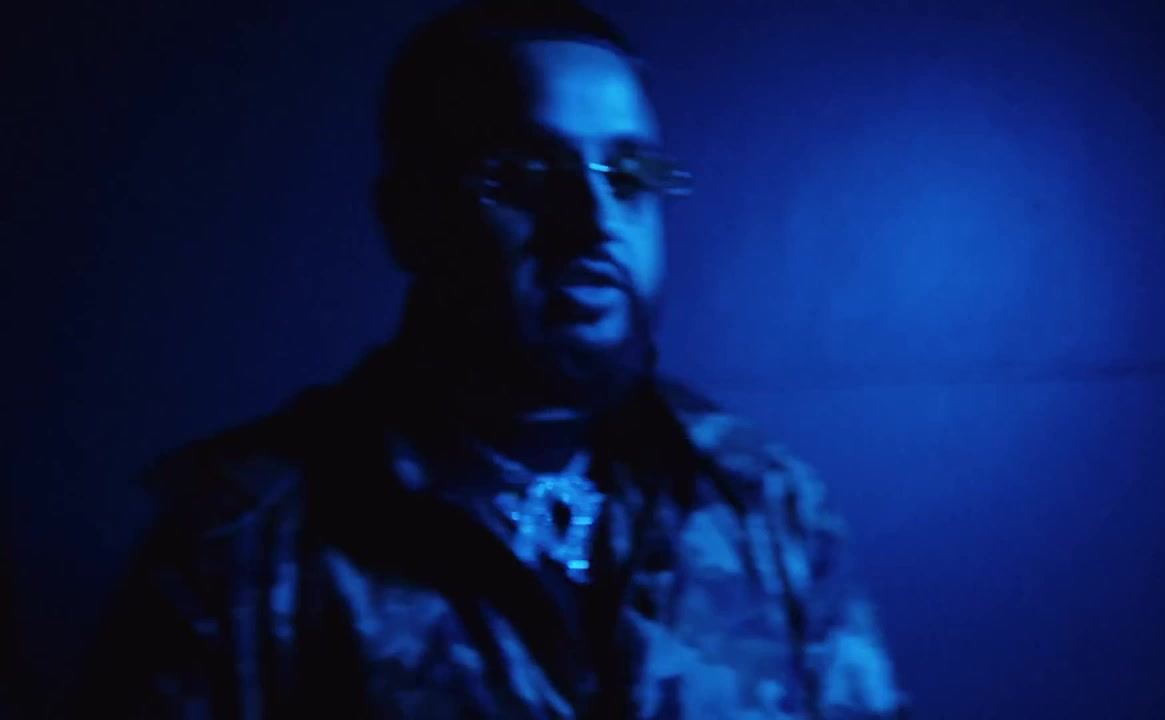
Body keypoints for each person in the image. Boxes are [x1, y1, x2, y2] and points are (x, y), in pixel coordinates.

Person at [81, 1, 909, 717]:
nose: (594, 222)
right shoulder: (241, 543)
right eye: (523, 175)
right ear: (408, 217)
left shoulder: (766, 503)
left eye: (629, 176)